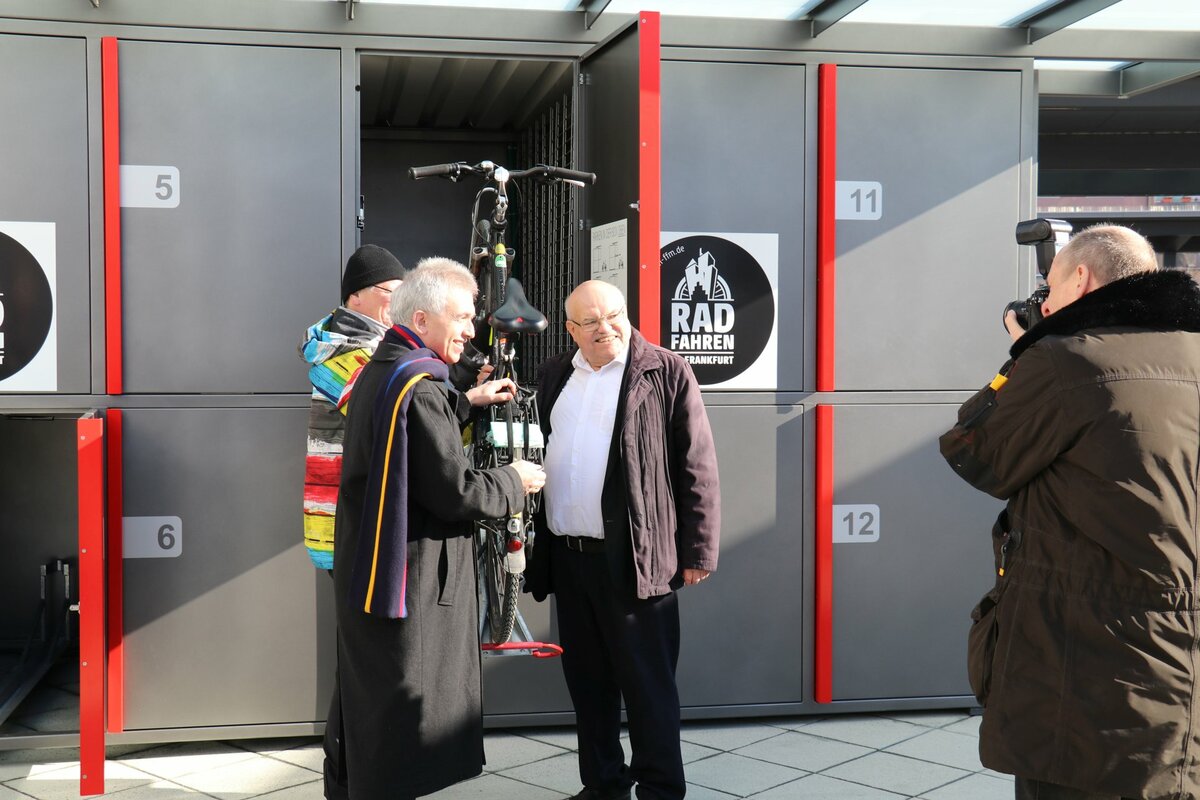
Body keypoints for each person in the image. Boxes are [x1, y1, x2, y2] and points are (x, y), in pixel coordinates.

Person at [939, 225, 1200, 800]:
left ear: (1080, 279)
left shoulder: (1066, 363)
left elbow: (974, 450)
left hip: (1081, 682)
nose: (1045, 304)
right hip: (1183, 688)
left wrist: (1030, 347)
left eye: (1050, 291)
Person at [327, 256, 546, 800]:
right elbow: (456, 492)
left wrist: (464, 401)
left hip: (369, 572)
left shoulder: (384, 368)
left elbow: (409, 440)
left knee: (367, 703)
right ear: (422, 320)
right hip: (413, 582)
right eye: (464, 317)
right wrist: (516, 479)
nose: (474, 330)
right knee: (404, 716)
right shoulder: (421, 387)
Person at [525, 279, 720, 800]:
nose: (604, 327)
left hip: (637, 559)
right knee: (588, 686)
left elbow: (696, 464)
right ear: (570, 329)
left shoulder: (663, 370)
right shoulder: (553, 376)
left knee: (648, 686)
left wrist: (698, 548)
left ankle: (660, 788)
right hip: (571, 559)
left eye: (612, 315)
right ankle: (604, 785)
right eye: (589, 322)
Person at [300, 243, 405, 571]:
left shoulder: (366, 347)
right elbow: (390, 412)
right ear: (356, 296)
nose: (401, 303)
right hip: (347, 525)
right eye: (393, 292)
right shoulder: (340, 354)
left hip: (353, 520)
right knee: (361, 623)